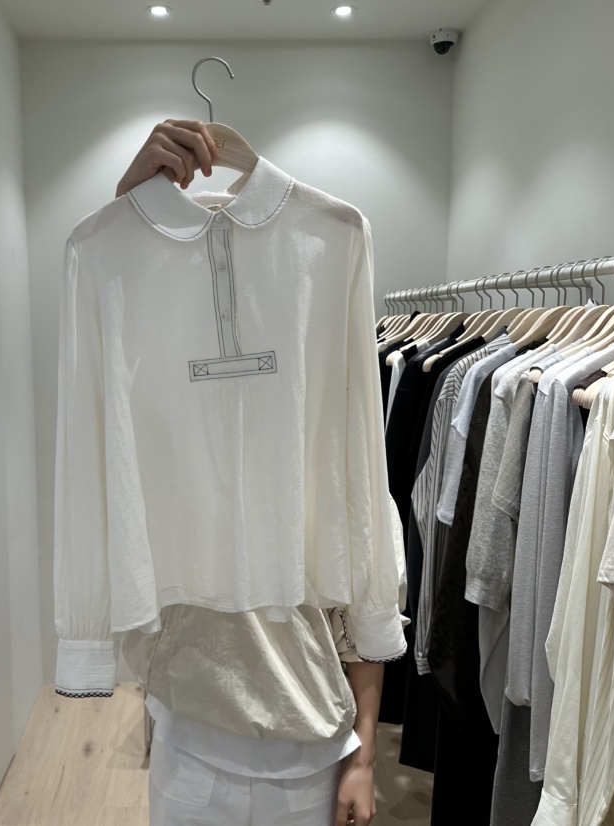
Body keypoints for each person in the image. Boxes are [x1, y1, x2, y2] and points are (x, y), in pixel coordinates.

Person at [108, 120, 407, 826]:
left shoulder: (331, 439)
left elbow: (367, 600)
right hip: (187, 749)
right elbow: (122, 363)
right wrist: (127, 216)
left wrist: (364, 759)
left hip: (310, 759)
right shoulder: (163, 418)